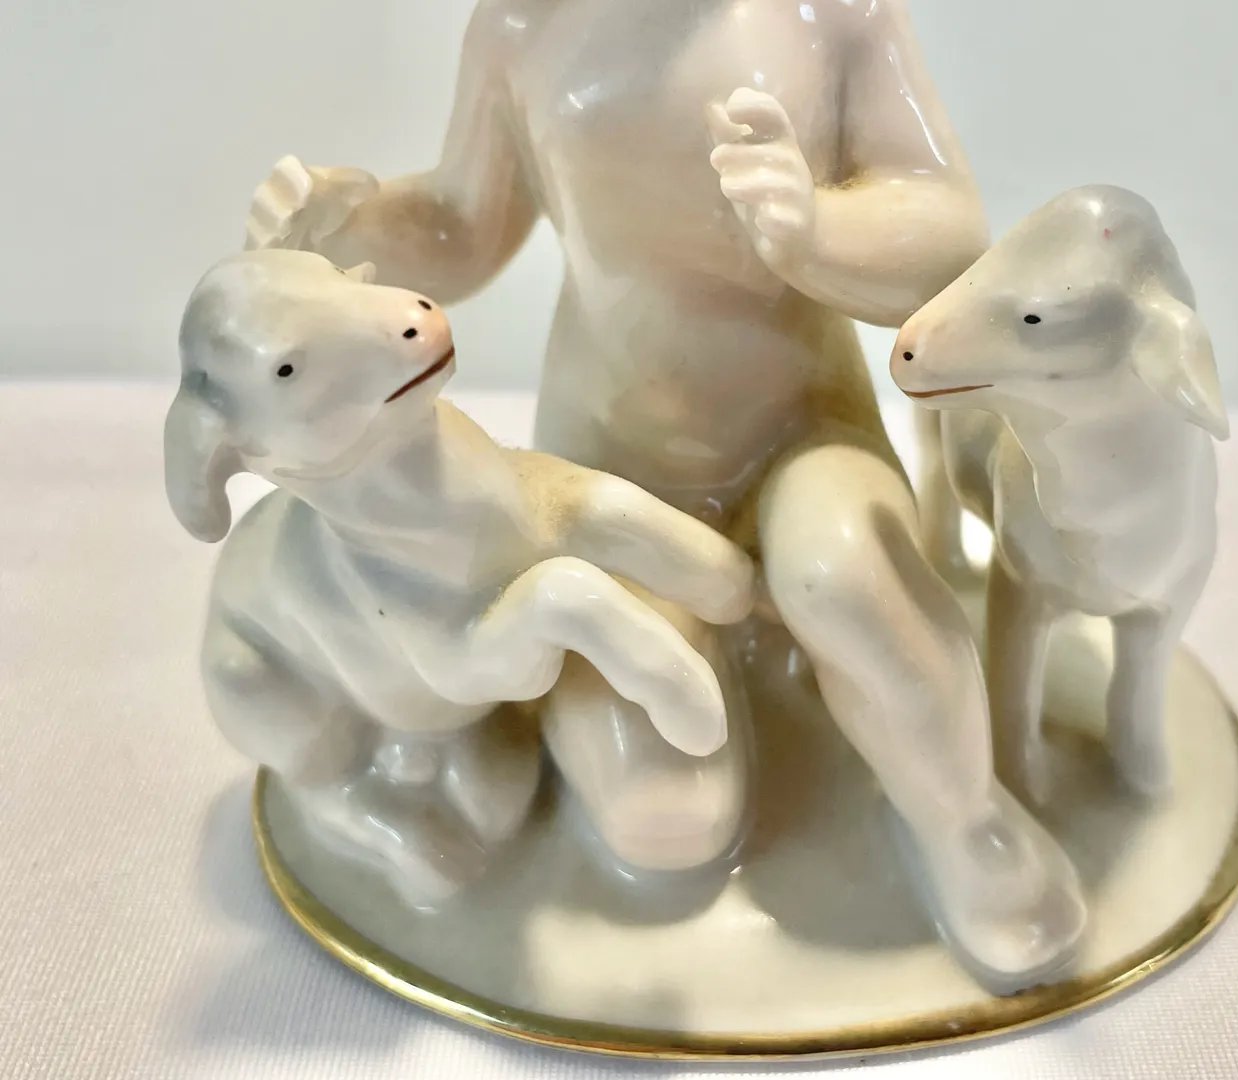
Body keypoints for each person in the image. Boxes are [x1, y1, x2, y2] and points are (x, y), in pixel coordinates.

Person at [246, 0, 1084, 984]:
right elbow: (462, 227)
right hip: (612, 468)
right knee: (666, 818)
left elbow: (947, 241)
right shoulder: (520, 28)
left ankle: (968, 822)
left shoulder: (833, 14)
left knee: (850, 574)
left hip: (802, 429)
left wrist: (817, 230)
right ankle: (686, 701)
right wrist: (345, 227)